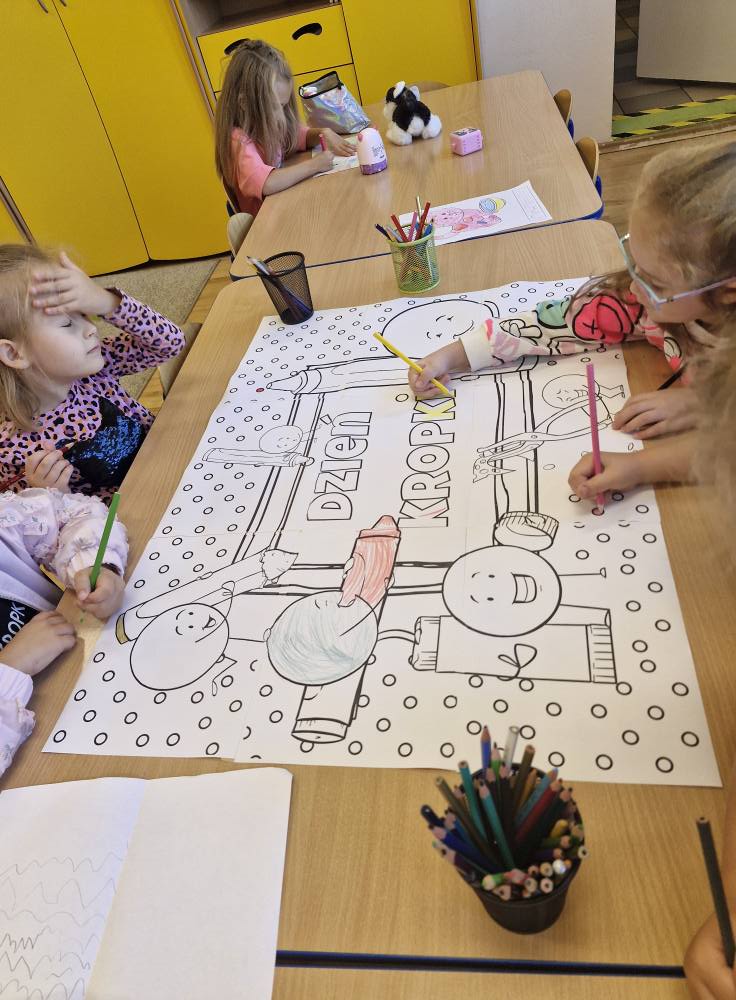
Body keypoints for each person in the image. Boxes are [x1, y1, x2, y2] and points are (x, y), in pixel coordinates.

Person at [408, 143, 736, 496]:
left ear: (727, 293)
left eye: (655, 284)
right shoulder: (641, 305)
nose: (633, 287)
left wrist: (704, 405)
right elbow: (555, 322)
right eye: (633, 261)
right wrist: (452, 356)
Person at [0, 244, 186, 501]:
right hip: (143, 513)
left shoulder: (95, 368)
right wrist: (51, 497)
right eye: (67, 323)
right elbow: (38, 525)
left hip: (177, 461)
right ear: (14, 354)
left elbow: (170, 342)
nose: (91, 329)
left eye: (85, 314)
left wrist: (105, 301)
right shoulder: (10, 450)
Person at [0, 487, 128, 776]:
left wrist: (94, 565)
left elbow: (69, 512)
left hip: (92, 676)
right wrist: (10, 668)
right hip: (39, 767)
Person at [214, 38, 354, 216]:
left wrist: (322, 134)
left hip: (285, 206)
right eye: (277, 106)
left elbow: (297, 136)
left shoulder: (263, 123)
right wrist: (315, 165)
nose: (282, 114)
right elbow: (267, 183)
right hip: (269, 223)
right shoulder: (238, 141)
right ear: (245, 103)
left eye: (284, 105)